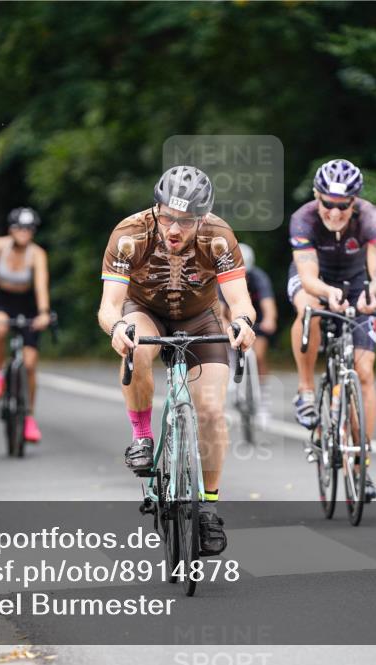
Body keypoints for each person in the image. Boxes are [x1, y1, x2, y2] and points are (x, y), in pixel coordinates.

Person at [97, 165, 256, 556]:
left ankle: (207, 507)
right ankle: (142, 436)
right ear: (156, 207)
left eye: (185, 221)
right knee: (135, 343)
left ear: (201, 218)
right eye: (167, 215)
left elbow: (239, 300)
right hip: (144, 310)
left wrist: (244, 322)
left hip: (201, 320)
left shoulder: (218, 237)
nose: (173, 228)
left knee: (212, 412)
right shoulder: (129, 235)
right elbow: (108, 306)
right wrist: (117, 327)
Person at [287, 158, 376, 500]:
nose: (334, 213)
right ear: (317, 196)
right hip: (314, 280)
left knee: (364, 372)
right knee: (310, 309)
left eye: (342, 206)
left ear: (355, 201)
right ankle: (305, 390)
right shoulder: (303, 219)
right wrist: (326, 293)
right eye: (327, 204)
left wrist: (373, 292)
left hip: (355, 280)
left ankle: (361, 465)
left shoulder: (371, 218)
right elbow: (307, 276)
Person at [0, 207, 51, 443]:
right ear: (11, 229)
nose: (24, 232)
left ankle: (28, 418)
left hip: (28, 305)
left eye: (29, 228)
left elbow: (41, 286)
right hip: (2, 300)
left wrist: (44, 312)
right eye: (19, 228)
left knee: (29, 363)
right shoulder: (0, 246)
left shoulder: (37, 254)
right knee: (0, 327)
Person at [219, 244, 277, 408]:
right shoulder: (224, 279)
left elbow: (268, 305)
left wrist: (269, 320)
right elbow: (220, 310)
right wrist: (224, 324)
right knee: (225, 330)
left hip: (256, 321)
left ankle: (262, 396)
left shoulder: (260, 278)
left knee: (259, 355)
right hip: (233, 320)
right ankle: (231, 364)